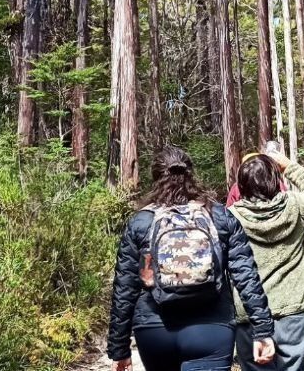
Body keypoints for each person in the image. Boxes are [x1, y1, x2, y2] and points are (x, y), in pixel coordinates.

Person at [107, 146, 277, 371]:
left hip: (155, 330)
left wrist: (119, 347)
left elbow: (125, 288)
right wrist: (263, 330)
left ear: (155, 178)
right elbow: (246, 276)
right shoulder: (219, 216)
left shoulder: (141, 222)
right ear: (191, 175)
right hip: (212, 330)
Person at [229, 150, 304, 371]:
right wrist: (288, 166)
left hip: (250, 316)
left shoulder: (231, 217)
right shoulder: (295, 207)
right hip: (294, 311)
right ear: (276, 181)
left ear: (241, 187)